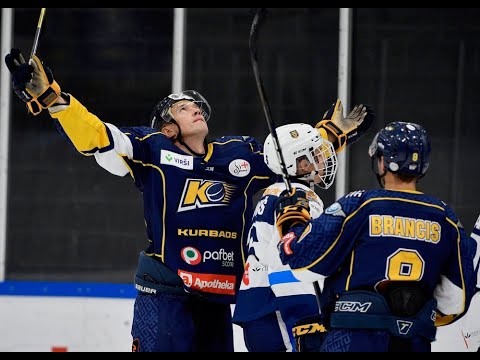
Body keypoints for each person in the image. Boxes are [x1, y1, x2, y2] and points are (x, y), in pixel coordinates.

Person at [4, 49, 373, 352]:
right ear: (167, 126)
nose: (195, 108)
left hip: (216, 295)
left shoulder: (237, 154)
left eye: (196, 106)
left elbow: (289, 156)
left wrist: (328, 135)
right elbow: (97, 137)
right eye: (183, 108)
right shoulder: (151, 149)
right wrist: (52, 98)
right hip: (166, 291)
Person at [274, 121, 479, 352]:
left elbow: (303, 262)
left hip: (353, 339)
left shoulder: (360, 204)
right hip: (413, 343)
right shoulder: (446, 218)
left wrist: (294, 220)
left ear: (382, 161)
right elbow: (455, 299)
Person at [232, 122, 339, 352]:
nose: (323, 159)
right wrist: (305, 317)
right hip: (279, 310)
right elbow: (285, 261)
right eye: (316, 154)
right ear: (301, 164)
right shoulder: (299, 198)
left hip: (260, 307)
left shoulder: (273, 192)